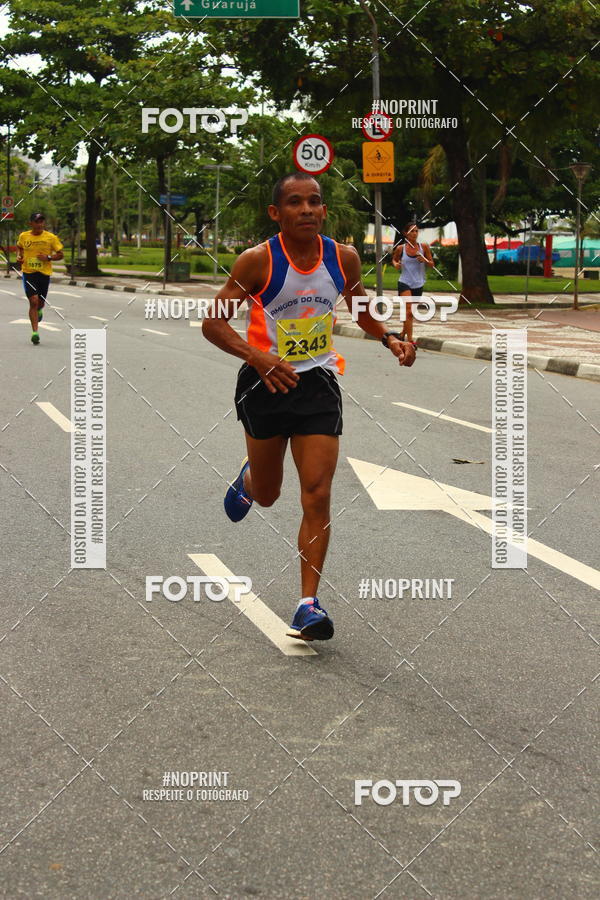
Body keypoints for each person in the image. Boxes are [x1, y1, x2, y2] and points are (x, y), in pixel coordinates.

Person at [202, 173, 416, 641]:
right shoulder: (257, 261)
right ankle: (250, 478)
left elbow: (359, 308)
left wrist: (390, 338)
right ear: (276, 213)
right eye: (295, 202)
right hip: (263, 382)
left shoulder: (343, 257)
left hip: (318, 382)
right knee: (270, 494)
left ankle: (307, 604)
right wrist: (256, 356)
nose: (307, 210)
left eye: (314, 202)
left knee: (317, 494)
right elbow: (212, 323)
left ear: (323, 210)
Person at [16, 213, 64, 344]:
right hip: (29, 273)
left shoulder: (51, 238)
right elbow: (19, 247)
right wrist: (19, 256)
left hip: (44, 274)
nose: (39, 224)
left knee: (40, 302)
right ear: (31, 223)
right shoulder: (24, 236)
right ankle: (35, 332)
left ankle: (40, 310)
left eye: (41, 222)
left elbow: (60, 255)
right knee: (33, 301)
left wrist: (48, 258)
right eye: (37, 222)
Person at [391, 222, 434, 344]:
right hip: (404, 282)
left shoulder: (424, 247)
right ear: (406, 233)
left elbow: (432, 264)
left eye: (416, 231)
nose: (414, 233)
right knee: (409, 311)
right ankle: (410, 341)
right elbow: (394, 259)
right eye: (412, 231)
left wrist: (424, 260)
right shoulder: (401, 248)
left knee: (410, 313)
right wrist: (396, 264)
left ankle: (402, 333)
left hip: (418, 284)